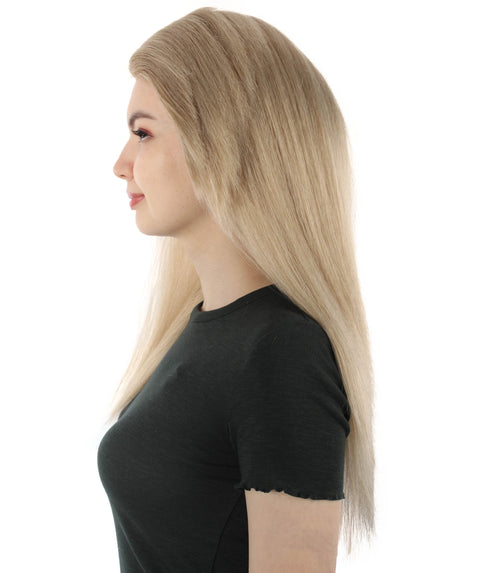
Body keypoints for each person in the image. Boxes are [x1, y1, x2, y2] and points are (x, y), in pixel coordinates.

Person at [97, 7, 375, 572]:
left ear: (221, 143)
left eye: (142, 133)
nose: (120, 164)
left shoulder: (282, 352)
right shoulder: (199, 329)